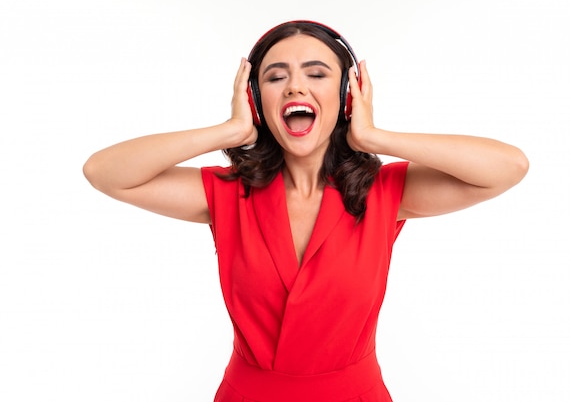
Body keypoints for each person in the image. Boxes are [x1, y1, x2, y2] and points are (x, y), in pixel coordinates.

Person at [83, 20, 529, 401]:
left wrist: (374, 137)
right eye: (276, 77)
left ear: (346, 95)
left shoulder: (384, 193)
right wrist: (231, 129)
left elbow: (508, 167)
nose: (295, 85)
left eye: (316, 74)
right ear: (258, 100)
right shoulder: (226, 194)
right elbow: (104, 172)